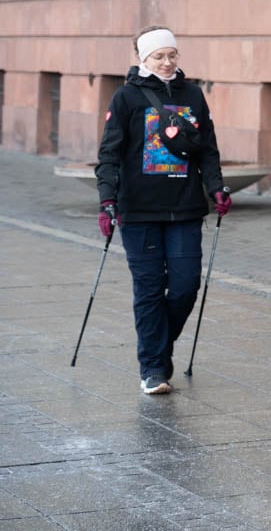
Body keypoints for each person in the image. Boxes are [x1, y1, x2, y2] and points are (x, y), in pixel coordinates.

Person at [95, 25, 231, 396]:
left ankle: (158, 346)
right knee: (150, 290)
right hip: (138, 211)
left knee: (186, 286)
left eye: (172, 55)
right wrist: (107, 200)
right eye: (159, 56)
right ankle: (153, 367)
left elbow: (207, 149)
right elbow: (109, 154)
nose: (167, 62)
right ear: (144, 59)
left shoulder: (193, 95)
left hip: (185, 209)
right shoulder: (126, 97)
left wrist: (216, 187)